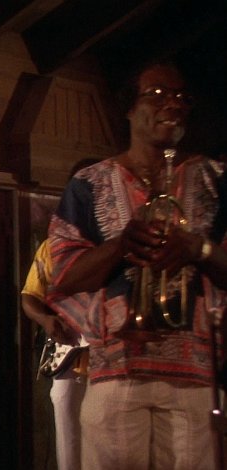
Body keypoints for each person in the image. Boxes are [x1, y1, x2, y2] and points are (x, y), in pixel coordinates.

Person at [47, 61, 227, 469]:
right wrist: (121, 245)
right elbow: (64, 276)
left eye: (181, 98)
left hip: (196, 380)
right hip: (117, 374)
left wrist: (197, 248)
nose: (173, 105)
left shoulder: (216, 180)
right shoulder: (88, 183)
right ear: (129, 107)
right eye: (158, 94)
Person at [21, 158, 100, 470]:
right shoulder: (50, 248)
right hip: (69, 355)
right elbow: (30, 296)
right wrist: (45, 319)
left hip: (109, 358)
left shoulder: (117, 245)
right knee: (68, 440)